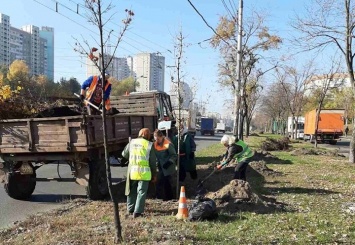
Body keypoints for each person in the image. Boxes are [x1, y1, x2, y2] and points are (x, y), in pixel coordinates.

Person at [122, 128, 157, 218]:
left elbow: (124, 154)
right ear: (148, 135)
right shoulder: (149, 145)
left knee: (131, 190)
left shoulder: (132, 142)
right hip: (144, 173)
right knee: (141, 192)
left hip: (132, 171)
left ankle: (130, 209)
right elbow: (153, 162)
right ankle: (137, 212)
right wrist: (154, 174)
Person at [153, 129, 177, 201]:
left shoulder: (168, 144)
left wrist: (169, 162)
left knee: (168, 183)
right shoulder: (155, 144)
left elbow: (174, 155)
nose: (157, 140)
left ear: (161, 137)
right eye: (155, 139)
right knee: (159, 182)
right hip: (160, 167)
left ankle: (170, 198)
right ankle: (159, 197)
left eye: (158, 139)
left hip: (168, 167)